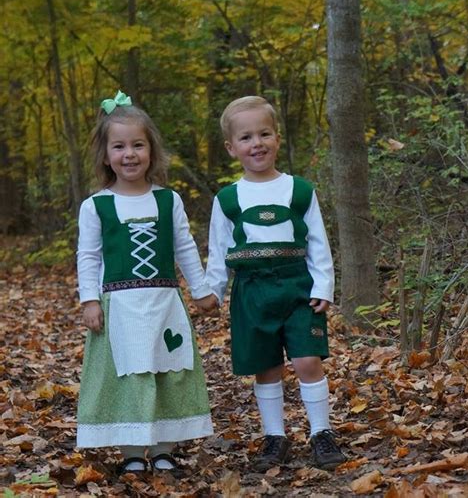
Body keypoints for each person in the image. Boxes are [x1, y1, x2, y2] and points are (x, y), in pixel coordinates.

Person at [76, 90, 217, 475]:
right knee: (131, 374)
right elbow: (88, 256)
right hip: (119, 307)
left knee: (169, 371)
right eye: (119, 146)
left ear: (151, 151)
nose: (129, 154)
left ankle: (164, 447)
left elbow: (185, 247)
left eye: (138, 145)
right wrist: (89, 300)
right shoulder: (97, 205)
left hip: (165, 301)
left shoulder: (168, 200)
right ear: (106, 156)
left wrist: (201, 290)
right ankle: (132, 452)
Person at [205, 95, 347, 471]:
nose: (257, 144)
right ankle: (275, 437)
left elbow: (318, 241)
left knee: (307, 360)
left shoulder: (299, 190)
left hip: (297, 288)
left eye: (264, 134)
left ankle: (321, 433)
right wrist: (211, 292)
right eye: (247, 137)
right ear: (231, 147)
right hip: (252, 291)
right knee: (266, 366)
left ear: (277, 138)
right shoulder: (228, 199)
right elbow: (218, 250)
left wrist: (323, 287)